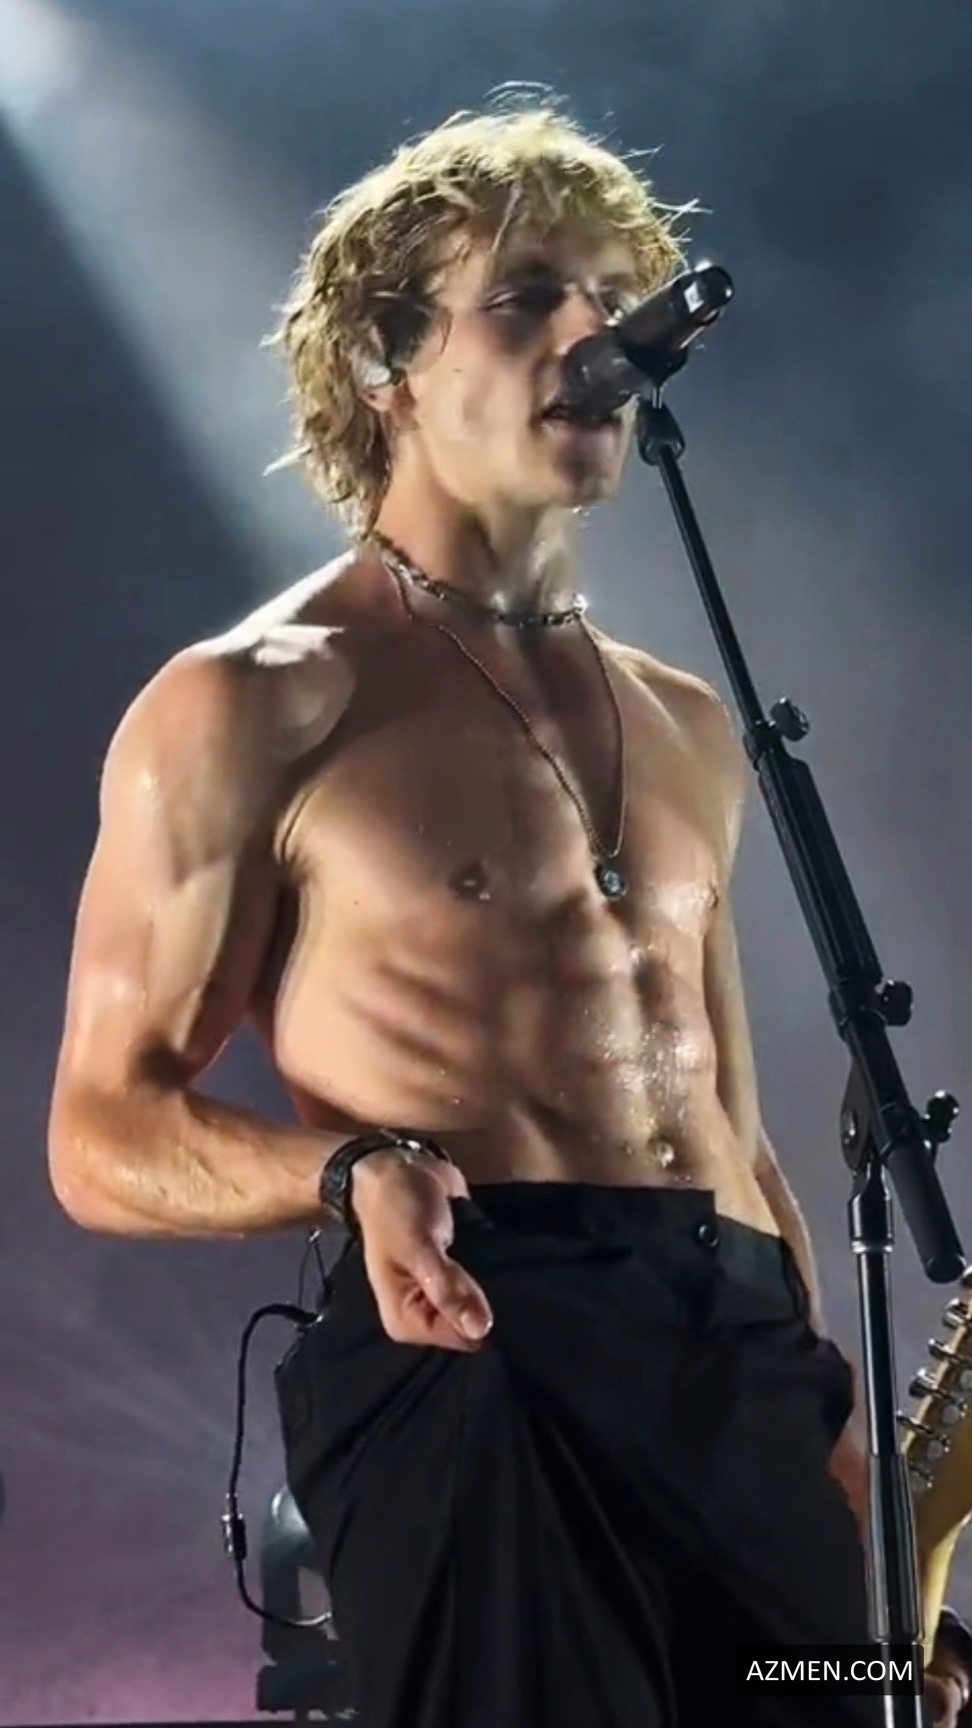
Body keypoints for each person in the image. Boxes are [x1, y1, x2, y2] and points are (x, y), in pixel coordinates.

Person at [48, 102, 969, 1727]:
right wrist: (350, 1171)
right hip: (481, 1347)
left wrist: (831, 1446)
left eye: (614, 294)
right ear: (385, 362)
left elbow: (730, 1129)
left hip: (736, 1367)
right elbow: (99, 1135)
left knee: (849, 1694)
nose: (595, 333)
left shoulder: (689, 719)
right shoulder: (252, 704)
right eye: (532, 295)